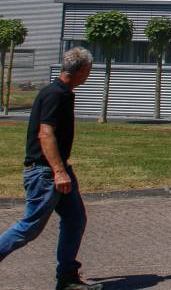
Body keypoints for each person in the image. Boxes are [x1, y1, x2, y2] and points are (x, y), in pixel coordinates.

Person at [0, 47, 103, 290]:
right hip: (46, 173)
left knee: (75, 219)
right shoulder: (57, 94)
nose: (89, 74)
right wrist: (58, 171)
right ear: (82, 70)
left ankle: (67, 278)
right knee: (30, 227)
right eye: (89, 70)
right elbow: (45, 134)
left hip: (57, 170)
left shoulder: (60, 92)